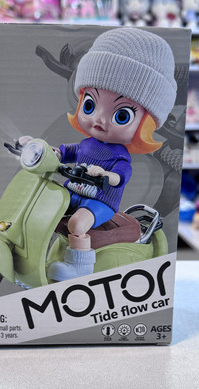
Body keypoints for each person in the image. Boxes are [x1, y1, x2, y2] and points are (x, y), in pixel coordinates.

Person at [22, 28, 177, 281]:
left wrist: (104, 174)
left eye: (122, 115)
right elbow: (64, 152)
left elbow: (119, 177)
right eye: (90, 105)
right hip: (72, 194)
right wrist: (39, 147)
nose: (99, 120)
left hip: (100, 202)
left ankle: (79, 268)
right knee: (43, 210)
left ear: (145, 125)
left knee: (77, 224)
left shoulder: (120, 156)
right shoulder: (86, 144)